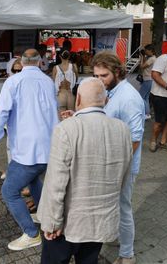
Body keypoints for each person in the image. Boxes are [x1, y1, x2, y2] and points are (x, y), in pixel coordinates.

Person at [38, 77, 132, 264]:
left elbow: (56, 183)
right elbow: (124, 176)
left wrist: (52, 222)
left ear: (78, 98)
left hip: (68, 223)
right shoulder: (122, 129)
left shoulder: (65, 129)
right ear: (105, 101)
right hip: (100, 222)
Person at [0, 49, 58, 251]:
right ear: (40, 62)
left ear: (21, 63)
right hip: (49, 147)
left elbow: (0, 115)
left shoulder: (13, 82)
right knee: (33, 179)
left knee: (9, 191)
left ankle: (31, 233)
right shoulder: (48, 82)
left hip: (28, 150)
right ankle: (45, 216)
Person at [90, 51, 144, 264]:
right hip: (111, 162)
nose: (99, 81)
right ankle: (119, 237)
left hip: (123, 165)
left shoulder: (129, 97)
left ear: (118, 72)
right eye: (95, 76)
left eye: (103, 76)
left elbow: (136, 138)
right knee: (115, 206)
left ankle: (127, 255)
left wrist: (119, 167)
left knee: (123, 208)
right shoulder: (112, 91)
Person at [138, 44, 156, 120]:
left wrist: (142, 57)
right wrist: (144, 57)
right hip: (150, 80)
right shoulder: (153, 58)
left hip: (148, 79)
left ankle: (147, 113)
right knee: (146, 98)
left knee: (140, 96)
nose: (145, 52)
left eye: (146, 50)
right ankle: (146, 113)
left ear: (150, 50)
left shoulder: (152, 59)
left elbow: (142, 66)